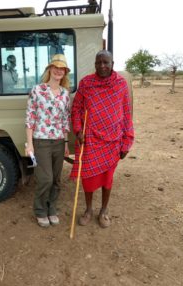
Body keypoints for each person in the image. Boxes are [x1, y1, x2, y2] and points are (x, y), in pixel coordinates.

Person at [70, 50, 134, 228]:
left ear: (113, 64)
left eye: (106, 62)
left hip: (113, 140)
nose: (102, 66)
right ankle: (89, 210)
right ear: (95, 64)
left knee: (108, 178)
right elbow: (76, 109)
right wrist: (77, 130)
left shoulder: (120, 84)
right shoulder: (86, 83)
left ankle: (104, 210)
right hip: (90, 138)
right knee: (88, 178)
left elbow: (126, 115)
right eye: (99, 63)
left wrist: (126, 142)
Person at [25, 54, 71, 228]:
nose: (59, 71)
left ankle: (52, 209)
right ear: (50, 69)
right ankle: (39, 210)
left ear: (65, 72)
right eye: (56, 67)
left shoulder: (66, 94)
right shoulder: (37, 90)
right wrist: (30, 144)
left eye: (62, 69)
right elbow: (30, 118)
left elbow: (65, 120)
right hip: (41, 141)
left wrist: (66, 143)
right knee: (45, 179)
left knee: (57, 180)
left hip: (59, 141)